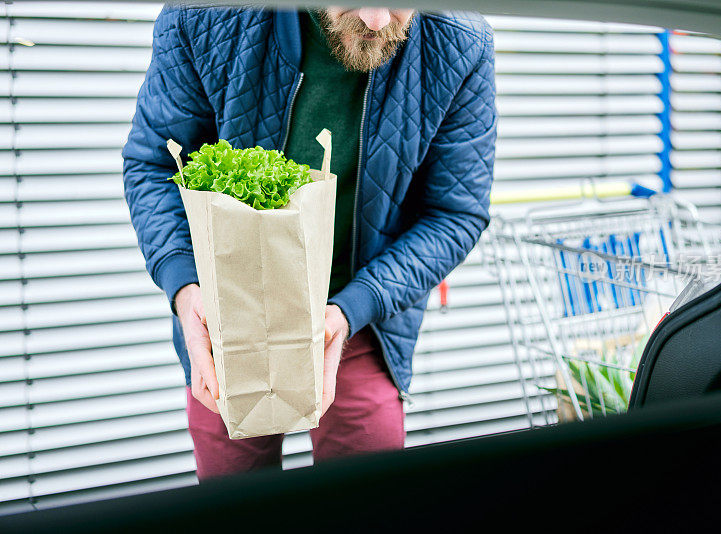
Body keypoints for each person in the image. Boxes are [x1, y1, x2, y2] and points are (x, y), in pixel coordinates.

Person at [121, 4, 497, 479]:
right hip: (227, 318)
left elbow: (454, 213)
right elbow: (153, 164)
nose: (378, 20)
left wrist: (355, 307)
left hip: (359, 315)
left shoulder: (459, 42)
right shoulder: (207, 15)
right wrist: (185, 284)